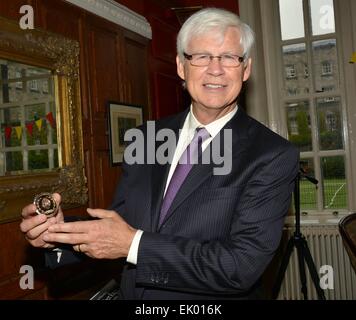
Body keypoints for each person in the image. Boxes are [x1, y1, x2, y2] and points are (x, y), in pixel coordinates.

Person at [20, 7, 299, 299]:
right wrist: (56, 234)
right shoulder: (147, 138)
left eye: (229, 57)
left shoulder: (271, 155)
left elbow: (240, 266)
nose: (215, 69)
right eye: (201, 56)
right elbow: (122, 226)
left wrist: (133, 245)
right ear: (181, 66)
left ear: (246, 69)